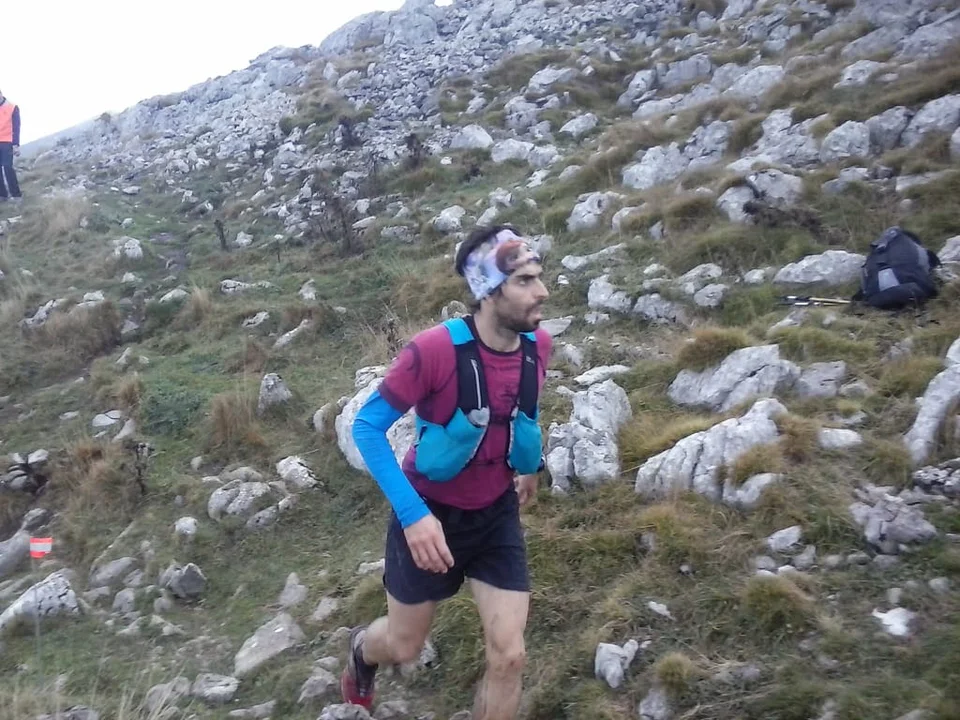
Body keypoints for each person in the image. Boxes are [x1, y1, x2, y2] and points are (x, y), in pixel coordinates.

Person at [342, 224, 553, 719]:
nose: (542, 291)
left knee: (510, 655)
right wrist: (413, 516)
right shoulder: (434, 351)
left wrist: (529, 466)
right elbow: (367, 427)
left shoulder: (537, 345)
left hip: (495, 516)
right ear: (489, 291)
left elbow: (522, 406)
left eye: (539, 276)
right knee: (404, 646)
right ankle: (361, 651)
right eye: (524, 281)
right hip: (429, 516)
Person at [0, 89, 22, 203]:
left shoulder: (12, 108)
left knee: (7, 167)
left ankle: (16, 195)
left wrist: (16, 145)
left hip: (7, 141)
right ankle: (2, 195)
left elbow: (16, 127)